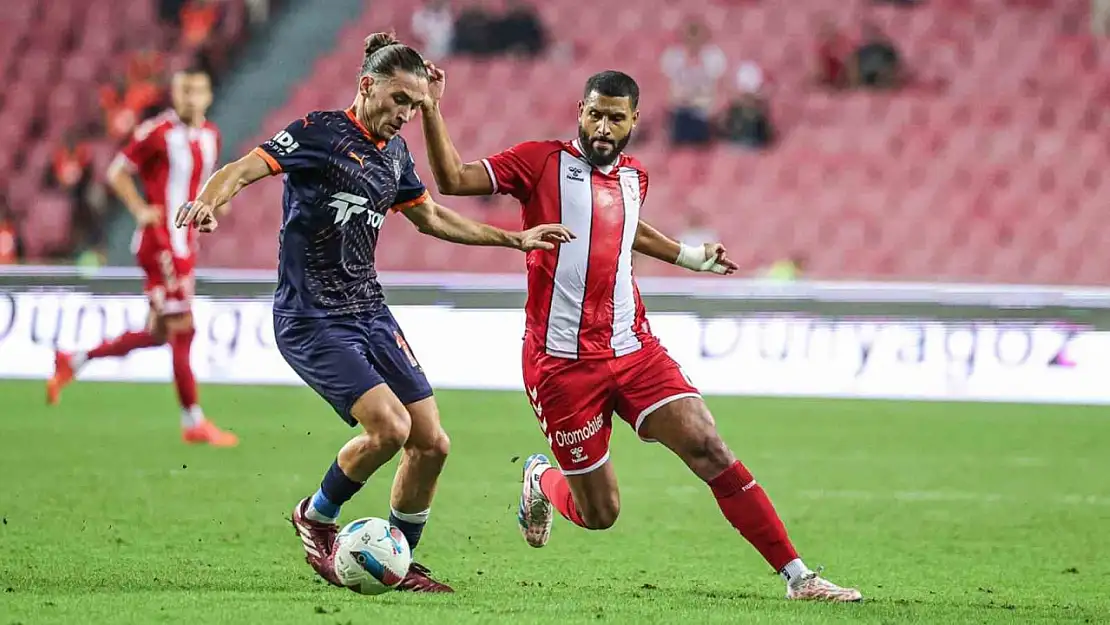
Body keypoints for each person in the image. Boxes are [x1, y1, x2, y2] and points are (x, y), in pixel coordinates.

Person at [418, 67, 863, 602]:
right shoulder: (540, 161)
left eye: (616, 117)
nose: (603, 126)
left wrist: (688, 257)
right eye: (595, 114)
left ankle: (799, 577)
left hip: (634, 349)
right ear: (580, 112)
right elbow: (452, 180)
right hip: (563, 366)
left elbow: (629, 227)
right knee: (599, 513)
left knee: (709, 447)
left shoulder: (635, 177)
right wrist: (430, 108)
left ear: (634, 121)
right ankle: (541, 479)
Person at [173, 33, 571, 592]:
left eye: (415, 105)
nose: (406, 114)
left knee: (432, 443)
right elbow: (241, 169)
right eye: (399, 100)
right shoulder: (320, 132)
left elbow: (433, 218)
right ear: (367, 86)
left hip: (369, 311)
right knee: (390, 427)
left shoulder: (397, 154)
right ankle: (315, 515)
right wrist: (208, 203)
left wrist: (516, 239)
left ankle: (395, 560)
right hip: (311, 318)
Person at [47, 66, 238, 447]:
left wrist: (215, 205)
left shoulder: (211, 135)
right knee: (184, 327)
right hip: (161, 243)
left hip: (185, 243)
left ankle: (76, 358)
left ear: (208, 96)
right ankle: (193, 421)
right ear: (174, 94)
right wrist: (139, 209)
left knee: (160, 333)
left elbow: (205, 184)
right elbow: (118, 171)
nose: (189, 98)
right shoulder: (157, 132)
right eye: (183, 91)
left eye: (197, 91)